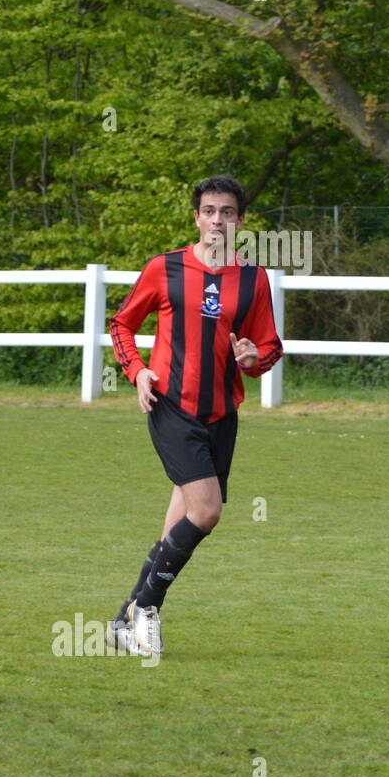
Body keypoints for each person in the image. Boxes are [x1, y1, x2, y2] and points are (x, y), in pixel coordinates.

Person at [106, 174, 283, 657]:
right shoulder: (164, 269)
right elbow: (121, 324)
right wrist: (137, 371)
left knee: (178, 524)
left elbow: (269, 347)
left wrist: (252, 359)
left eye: (228, 212)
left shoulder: (253, 278)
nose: (218, 220)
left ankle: (125, 620)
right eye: (209, 211)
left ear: (241, 221)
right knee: (206, 512)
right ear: (196, 217)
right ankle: (146, 606)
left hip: (222, 413)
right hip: (173, 407)